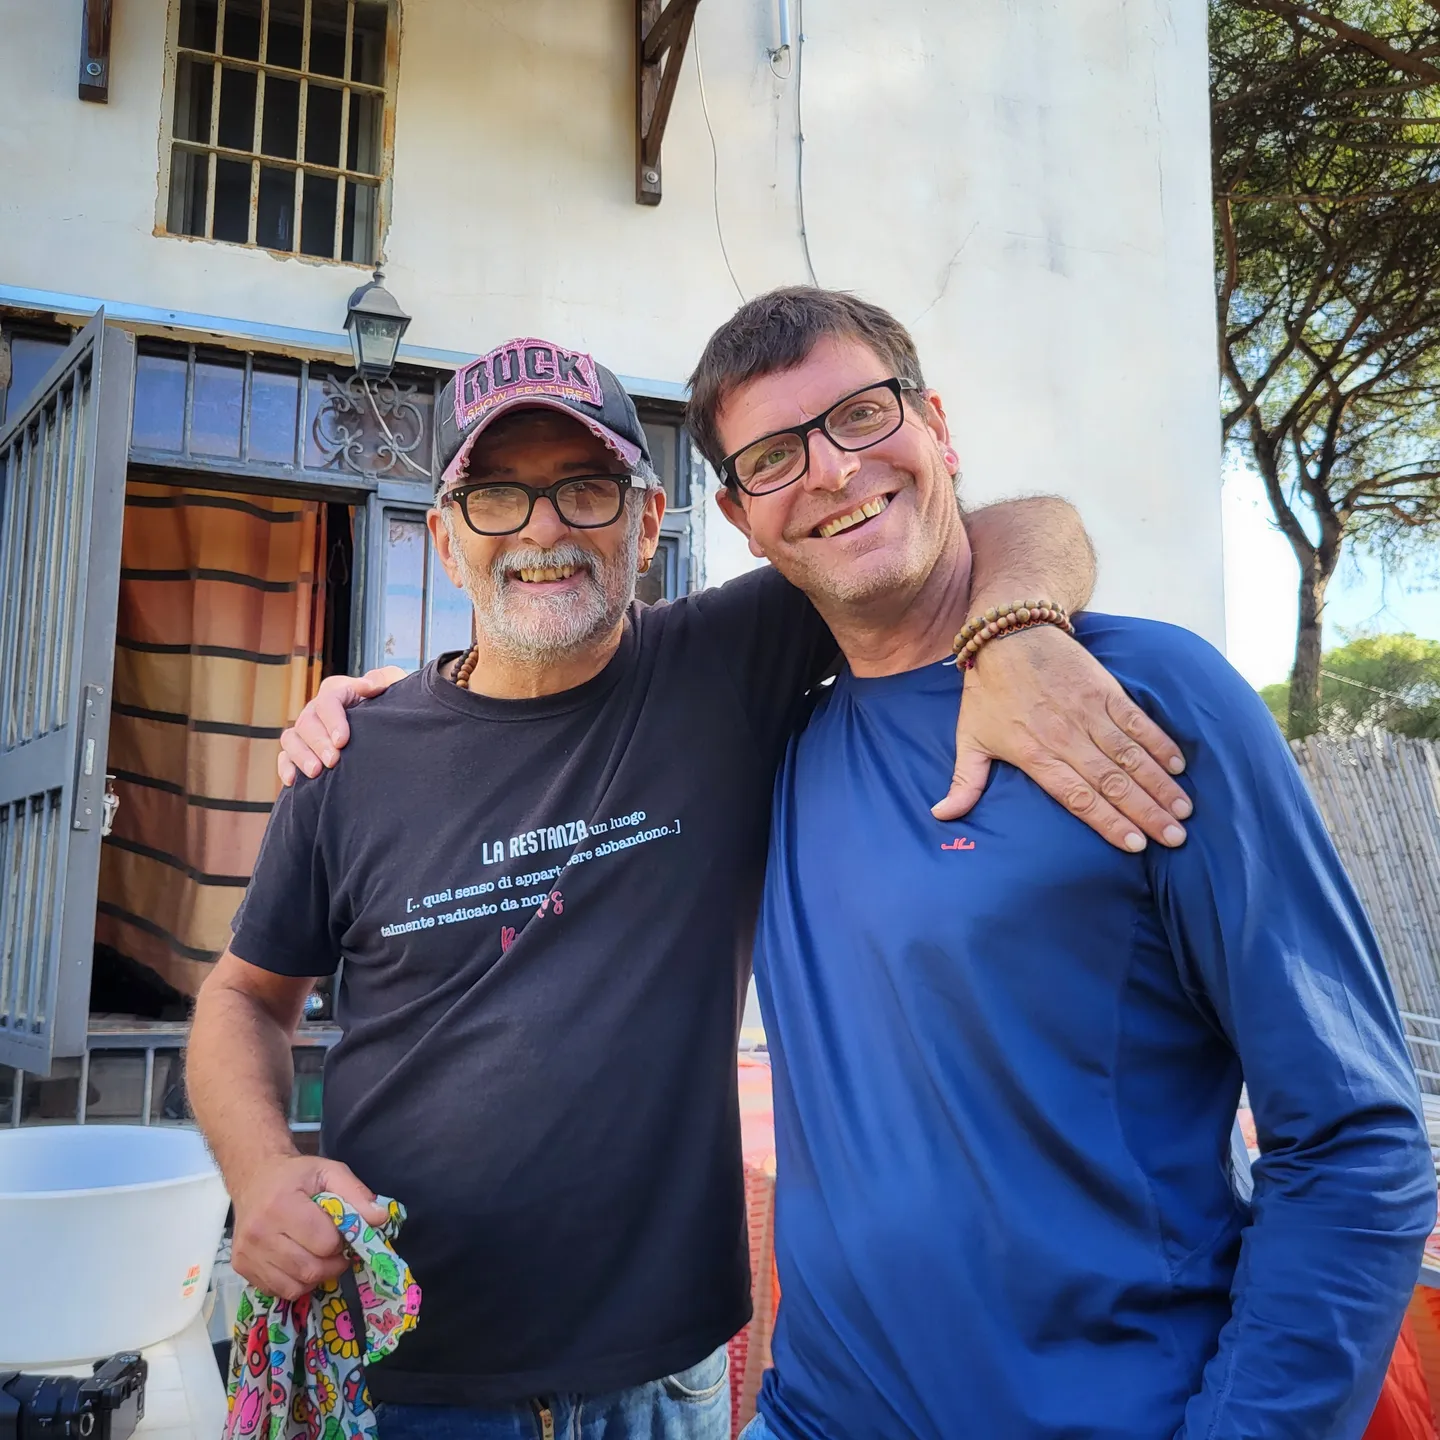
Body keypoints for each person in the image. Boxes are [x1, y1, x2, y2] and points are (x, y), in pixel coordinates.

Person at [189, 333, 1192, 1439]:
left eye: (585, 488)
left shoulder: (726, 661)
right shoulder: (353, 756)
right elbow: (244, 1000)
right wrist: (263, 1169)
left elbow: (1014, 524)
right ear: (444, 538)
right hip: (404, 1367)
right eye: (496, 497)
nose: (542, 531)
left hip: (664, 1382)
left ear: (647, 519)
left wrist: (1017, 631)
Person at [669, 287, 1434, 1439]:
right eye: (775, 455)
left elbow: (1354, 1142)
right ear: (739, 515)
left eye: (862, 415)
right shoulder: (776, 741)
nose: (830, 469)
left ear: (936, 424)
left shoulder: (1146, 699)